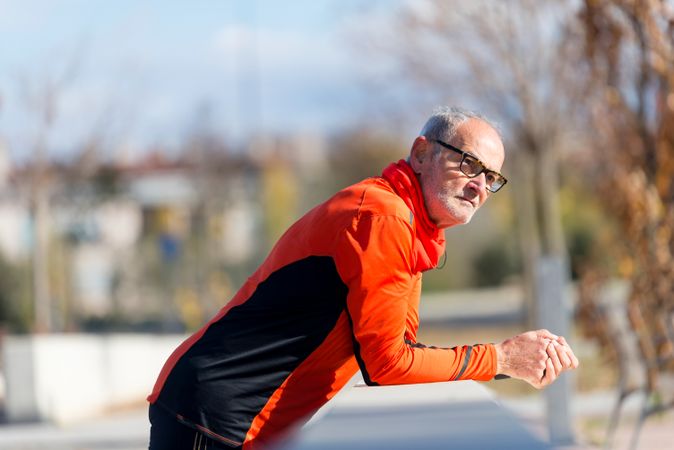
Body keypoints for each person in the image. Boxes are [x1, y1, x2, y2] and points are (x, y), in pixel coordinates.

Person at [148, 107, 579, 450]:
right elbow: (387, 364)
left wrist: (507, 362)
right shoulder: (383, 216)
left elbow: (400, 351)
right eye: (468, 164)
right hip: (213, 413)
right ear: (422, 152)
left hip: (235, 416)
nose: (479, 186)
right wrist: (502, 359)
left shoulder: (413, 227)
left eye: (492, 177)